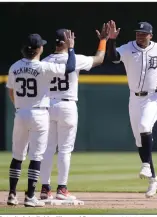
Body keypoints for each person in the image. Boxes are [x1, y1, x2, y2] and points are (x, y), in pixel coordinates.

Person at [106, 20, 157, 198]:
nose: (139, 35)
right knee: (139, 140)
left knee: (145, 126)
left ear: (150, 35)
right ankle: (154, 179)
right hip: (134, 97)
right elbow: (114, 57)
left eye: (143, 33)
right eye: (138, 32)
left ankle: (146, 165)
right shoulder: (128, 47)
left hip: (154, 96)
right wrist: (111, 40)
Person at [39, 23, 110, 200]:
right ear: (66, 41)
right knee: (64, 150)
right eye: (72, 37)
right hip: (67, 106)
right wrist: (102, 40)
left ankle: (44, 189)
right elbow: (99, 59)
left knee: (47, 149)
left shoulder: (44, 61)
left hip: (48, 106)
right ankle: (62, 189)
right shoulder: (75, 59)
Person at [6, 31, 76, 207]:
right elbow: (69, 68)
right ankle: (30, 196)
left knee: (17, 156)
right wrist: (72, 49)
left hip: (20, 112)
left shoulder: (14, 67)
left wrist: (20, 106)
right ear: (39, 49)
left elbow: (11, 91)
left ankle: (12, 195)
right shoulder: (43, 67)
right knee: (36, 156)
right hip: (39, 114)